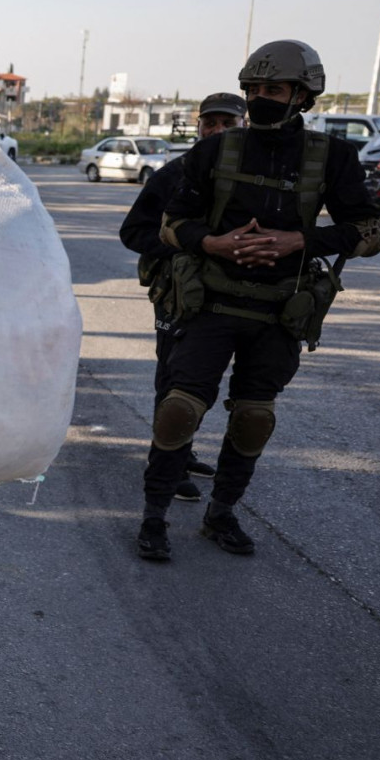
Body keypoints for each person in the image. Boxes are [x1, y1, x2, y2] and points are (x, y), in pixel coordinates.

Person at [137, 40, 380, 561]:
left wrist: (302, 241)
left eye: (272, 89)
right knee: (178, 411)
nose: (259, 98)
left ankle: (221, 513)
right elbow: (170, 225)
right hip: (212, 305)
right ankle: (154, 516)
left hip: (278, 311)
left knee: (253, 418)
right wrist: (213, 243)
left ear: (303, 94)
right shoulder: (213, 150)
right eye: (253, 89)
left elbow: (366, 230)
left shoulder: (333, 157)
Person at [119, 92, 247, 509]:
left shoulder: (252, 178)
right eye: (210, 123)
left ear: (244, 125)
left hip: (230, 301)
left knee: (202, 384)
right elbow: (133, 232)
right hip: (179, 298)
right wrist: (194, 250)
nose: (217, 131)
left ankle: (183, 452)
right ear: (198, 127)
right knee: (173, 382)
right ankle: (167, 469)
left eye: (227, 123)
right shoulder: (176, 173)